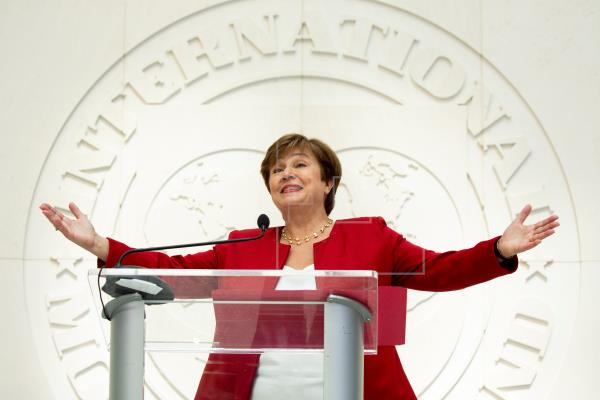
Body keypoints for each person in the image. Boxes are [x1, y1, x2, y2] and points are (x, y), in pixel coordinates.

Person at [40, 133, 559, 400]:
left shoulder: (370, 237)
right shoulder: (242, 246)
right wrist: (102, 244)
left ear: (328, 182)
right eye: (276, 169)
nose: (286, 173)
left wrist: (500, 249)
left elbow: (438, 269)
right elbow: (173, 270)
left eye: (299, 165)